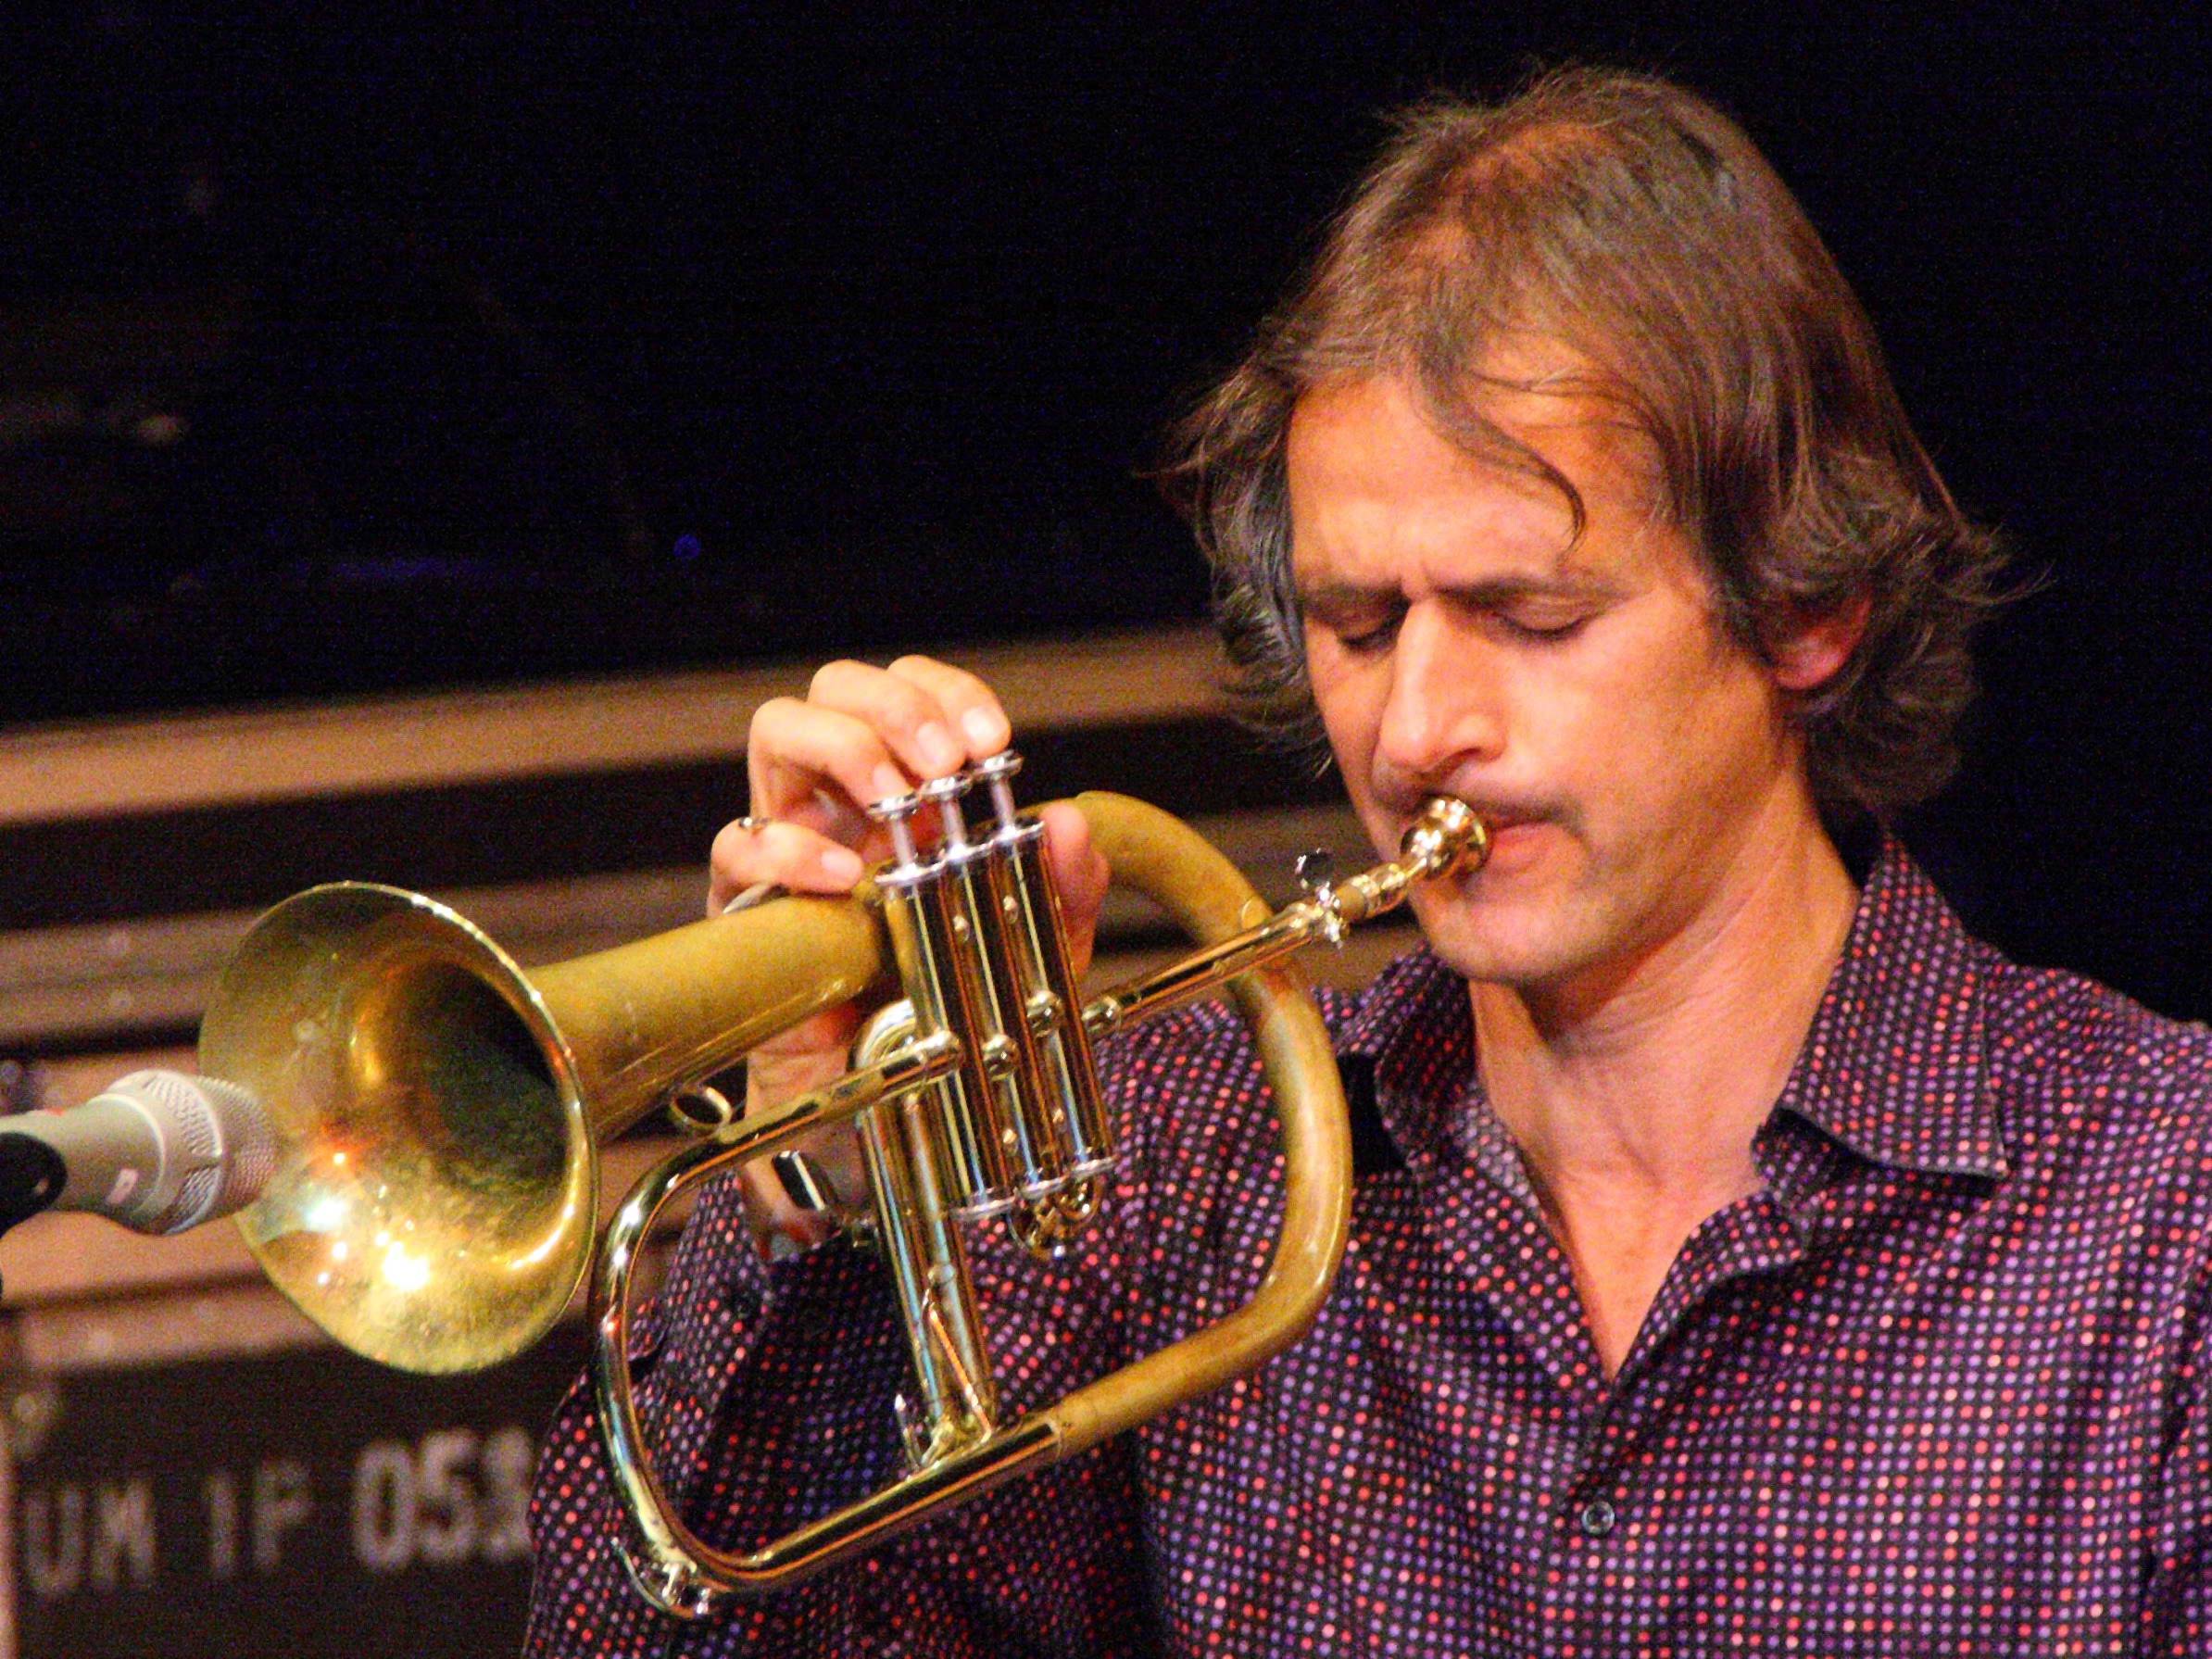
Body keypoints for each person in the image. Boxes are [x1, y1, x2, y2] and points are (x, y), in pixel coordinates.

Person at [526, 69, 2211, 1655]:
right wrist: (800, 1173)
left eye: (1528, 617)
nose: (1412, 731)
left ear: (1809, 610)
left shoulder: (2156, 1209)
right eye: (1356, 624)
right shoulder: (1184, 1172)